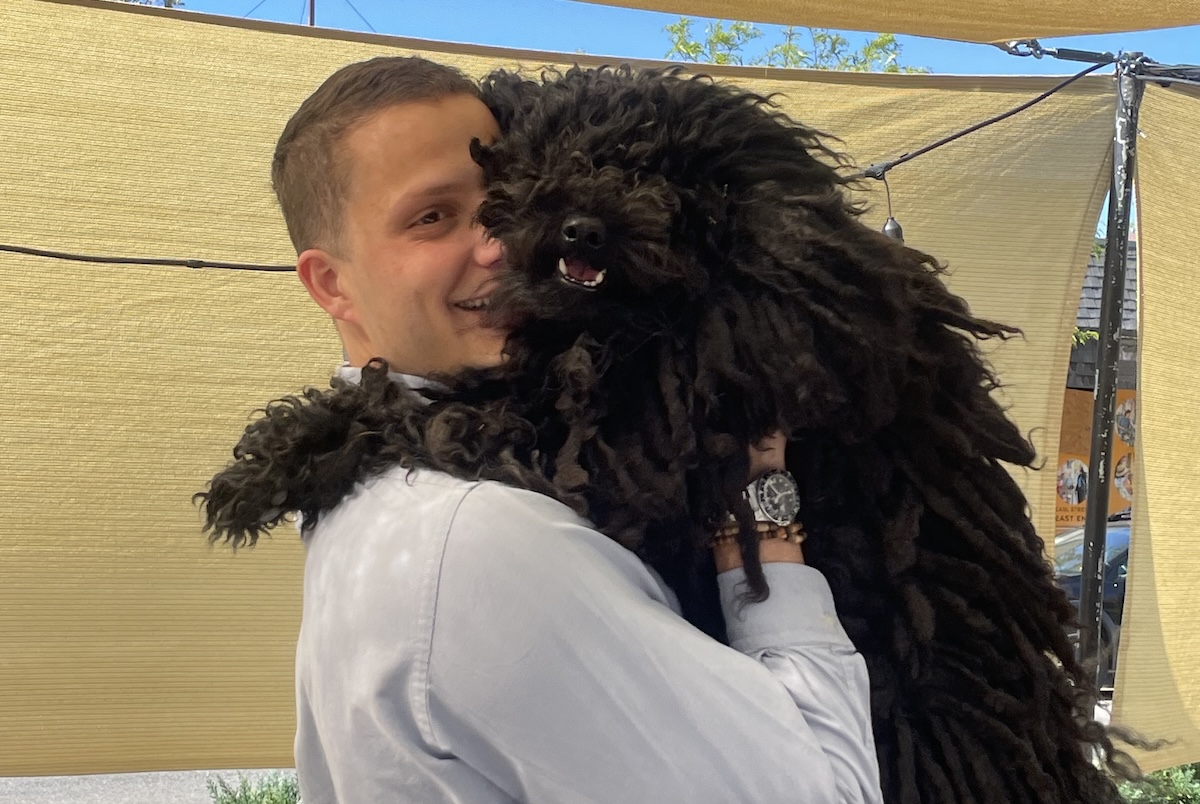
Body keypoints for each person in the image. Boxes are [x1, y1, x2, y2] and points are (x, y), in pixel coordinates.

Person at [272, 55, 882, 803]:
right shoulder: (473, 540)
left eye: (502, 199)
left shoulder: (361, 501)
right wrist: (757, 509)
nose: (498, 245)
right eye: (432, 217)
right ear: (330, 283)